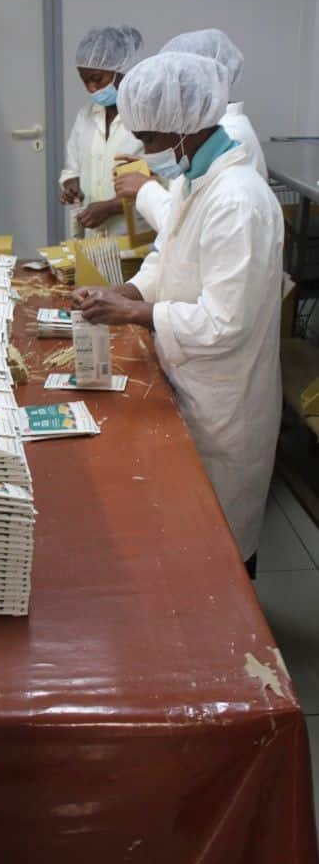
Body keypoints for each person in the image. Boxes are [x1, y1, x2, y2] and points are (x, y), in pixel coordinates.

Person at [73, 52, 283, 577]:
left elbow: (223, 323)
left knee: (223, 560)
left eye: (148, 141)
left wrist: (138, 314)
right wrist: (127, 289)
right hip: (190, 380)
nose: (145, 154)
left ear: (183, 130)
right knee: (189, 544)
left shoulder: (237, 201)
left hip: (224, 404)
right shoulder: (197, 178)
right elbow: (172, 254)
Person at [115, 28, 266, 235]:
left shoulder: (234, 196)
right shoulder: (196, 149)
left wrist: (146, 188)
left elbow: (181, 226)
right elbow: (182, 229)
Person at [59, 25, 144, 235]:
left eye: (97, 79)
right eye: (85, 80)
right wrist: (72, 186)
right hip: (94, 237)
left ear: (122, 70)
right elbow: (73, 167)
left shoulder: (146, 116)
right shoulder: (85, 115)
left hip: (135, 235)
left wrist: (110, 207)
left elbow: (160, 183)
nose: (91, 88)